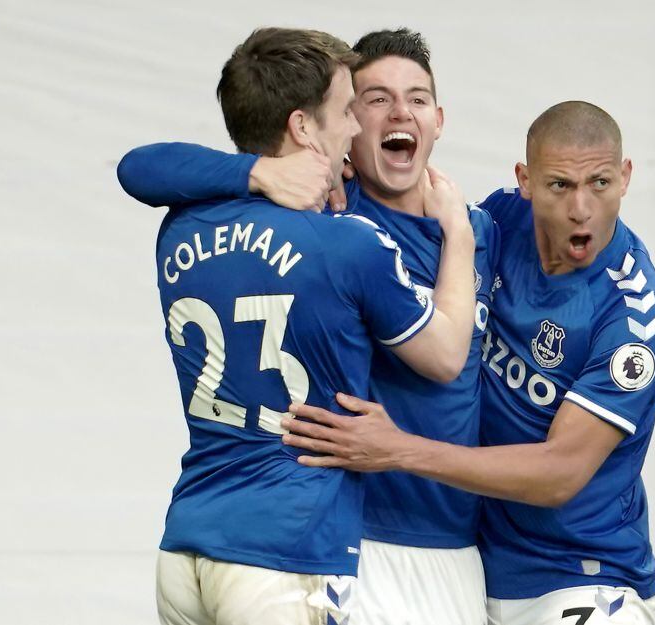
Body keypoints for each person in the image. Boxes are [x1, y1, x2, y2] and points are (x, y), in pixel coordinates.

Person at [118, 29, 497, 625]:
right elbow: (447, 354)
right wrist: (459, 235)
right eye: (352, 108)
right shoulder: (347, 240)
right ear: (301, 126)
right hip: (285, 548)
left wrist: (254, 173)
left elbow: (137, 167)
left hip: (188, 539)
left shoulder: (180, 225)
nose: (351, 128)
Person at [281, 102, 655, 625]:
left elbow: (560, 473)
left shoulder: (637, 319)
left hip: (579, 577)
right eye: (560, 185)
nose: (582, 208)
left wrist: (398, 449)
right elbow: (396, 193)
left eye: (600, 183)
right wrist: (334, 171)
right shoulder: (497, 224)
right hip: (473, 569)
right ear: (525, 181)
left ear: (625, 177)